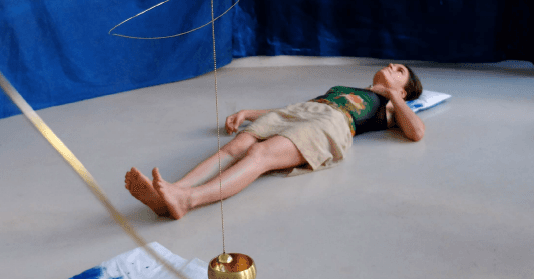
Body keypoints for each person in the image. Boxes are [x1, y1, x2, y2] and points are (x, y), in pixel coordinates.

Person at [124, 63, 424, 220]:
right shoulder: (348, 88)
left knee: (260, 154)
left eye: (399, 71)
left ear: (404, 90)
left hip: (333, 123)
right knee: (235, 147)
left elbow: (417, 132)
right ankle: (172, 191)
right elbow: (301, 107)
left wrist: (393, 97)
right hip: (303, 111)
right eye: (392, 64)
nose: (390, 66)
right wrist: (249, 113)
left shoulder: (389, 107)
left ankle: (189, 200)